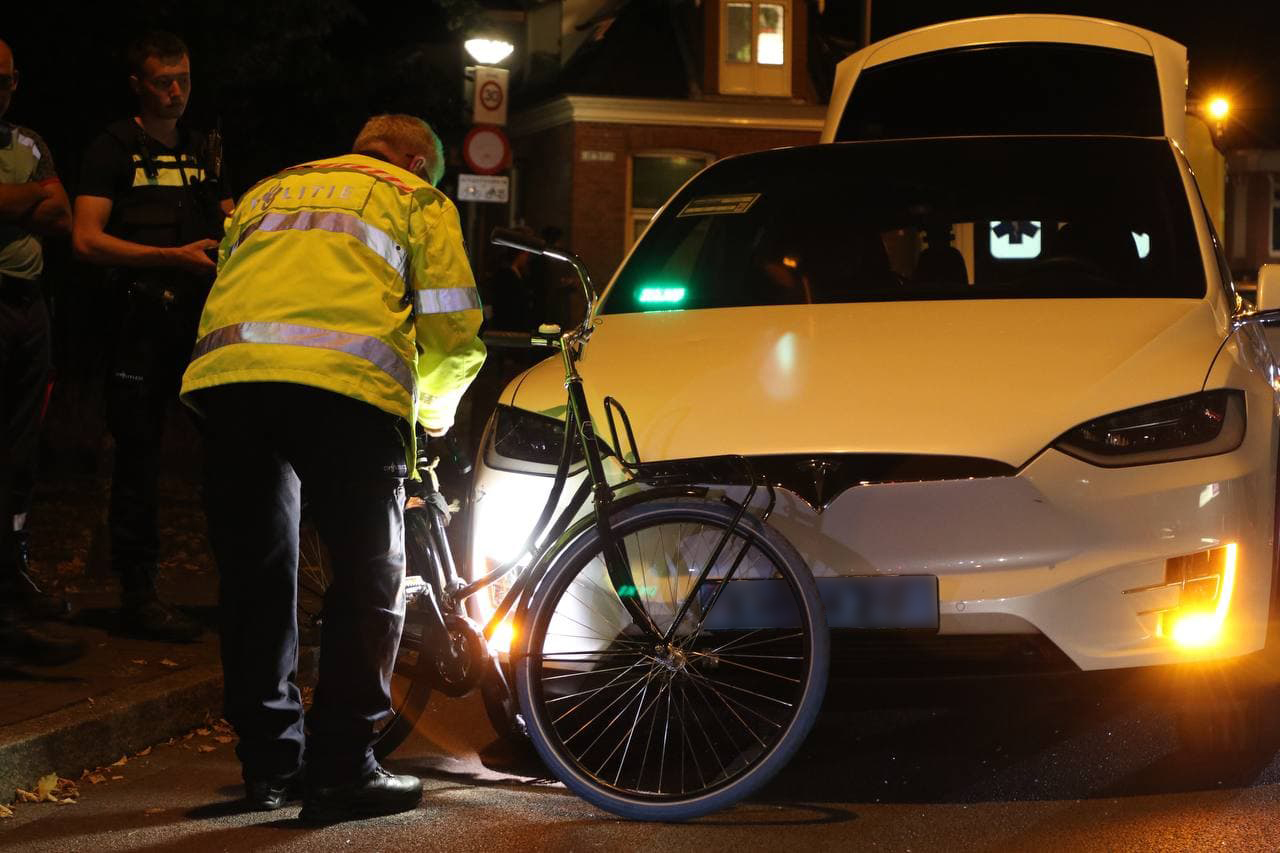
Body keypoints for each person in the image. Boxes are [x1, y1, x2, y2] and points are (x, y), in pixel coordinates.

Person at [179, 114, 485, 823]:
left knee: (256, 577)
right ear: (414, 158)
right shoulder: (414, 197)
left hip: (230, 383)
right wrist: (431, 415)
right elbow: (452, 330)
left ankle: (269, 768)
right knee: (369, 576)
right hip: (346, 391)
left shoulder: (269, 190)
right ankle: (343, 768)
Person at [72, 31, 231, 642]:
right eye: (163, 81)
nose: (176, 92)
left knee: (230, 457)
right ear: (138, 84)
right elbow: (86, 239)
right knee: (137, 462)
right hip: (135, 327)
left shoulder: (202, 148)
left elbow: (223, 214)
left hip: (199, 329)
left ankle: (238, 583)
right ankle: (137, 593)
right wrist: (170, 257)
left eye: (184, 79)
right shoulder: (113, 148)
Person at [0, 37, 82, 665]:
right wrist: (24, 201)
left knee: (17, 455)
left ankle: (9, 586)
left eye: (6, 80)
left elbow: (61, 213)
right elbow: (39, 204)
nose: (0, 90)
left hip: (28, 307)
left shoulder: (27, 142)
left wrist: (19, 204)